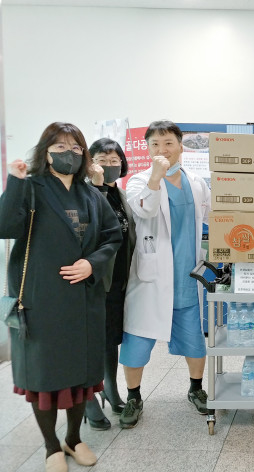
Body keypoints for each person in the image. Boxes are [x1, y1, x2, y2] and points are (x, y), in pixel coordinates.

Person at [0, 122, 121, 472]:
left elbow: (112, 237)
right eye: (60, 146)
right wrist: (14, 183)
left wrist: (91, 263)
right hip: (42, 301)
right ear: (46, 151)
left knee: (81, 377)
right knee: (45, 377)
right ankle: (51, 445)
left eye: (75, 147)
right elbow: (5, 227)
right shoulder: (31, 187)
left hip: (84, 301)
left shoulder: (91, 194)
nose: (69, 153)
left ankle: (73, 438)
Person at [118, 120, 211, 429]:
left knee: (194, 340)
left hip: (188, 276)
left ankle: (196, 389)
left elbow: (210, 216)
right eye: (155, 144)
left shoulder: (196, 181)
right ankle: (134, 396)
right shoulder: (137, 181)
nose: (162, 149)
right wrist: (156, 177)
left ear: (180, 146)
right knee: (137, 341)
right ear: (147, 149)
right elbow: (144, 209)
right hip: (152, 277)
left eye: (168, 143)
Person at [81, 138, 136, 430]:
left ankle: (111, 389)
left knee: (110, 339)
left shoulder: (122, 195)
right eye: (102, 159)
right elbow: (95, 225)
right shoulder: (85, 193)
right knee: (91, 341)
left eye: (115, 160)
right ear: (90, 163)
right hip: (93, 281)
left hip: (118, 280)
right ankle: (89, 399)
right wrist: (98, 185)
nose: (110, 165)